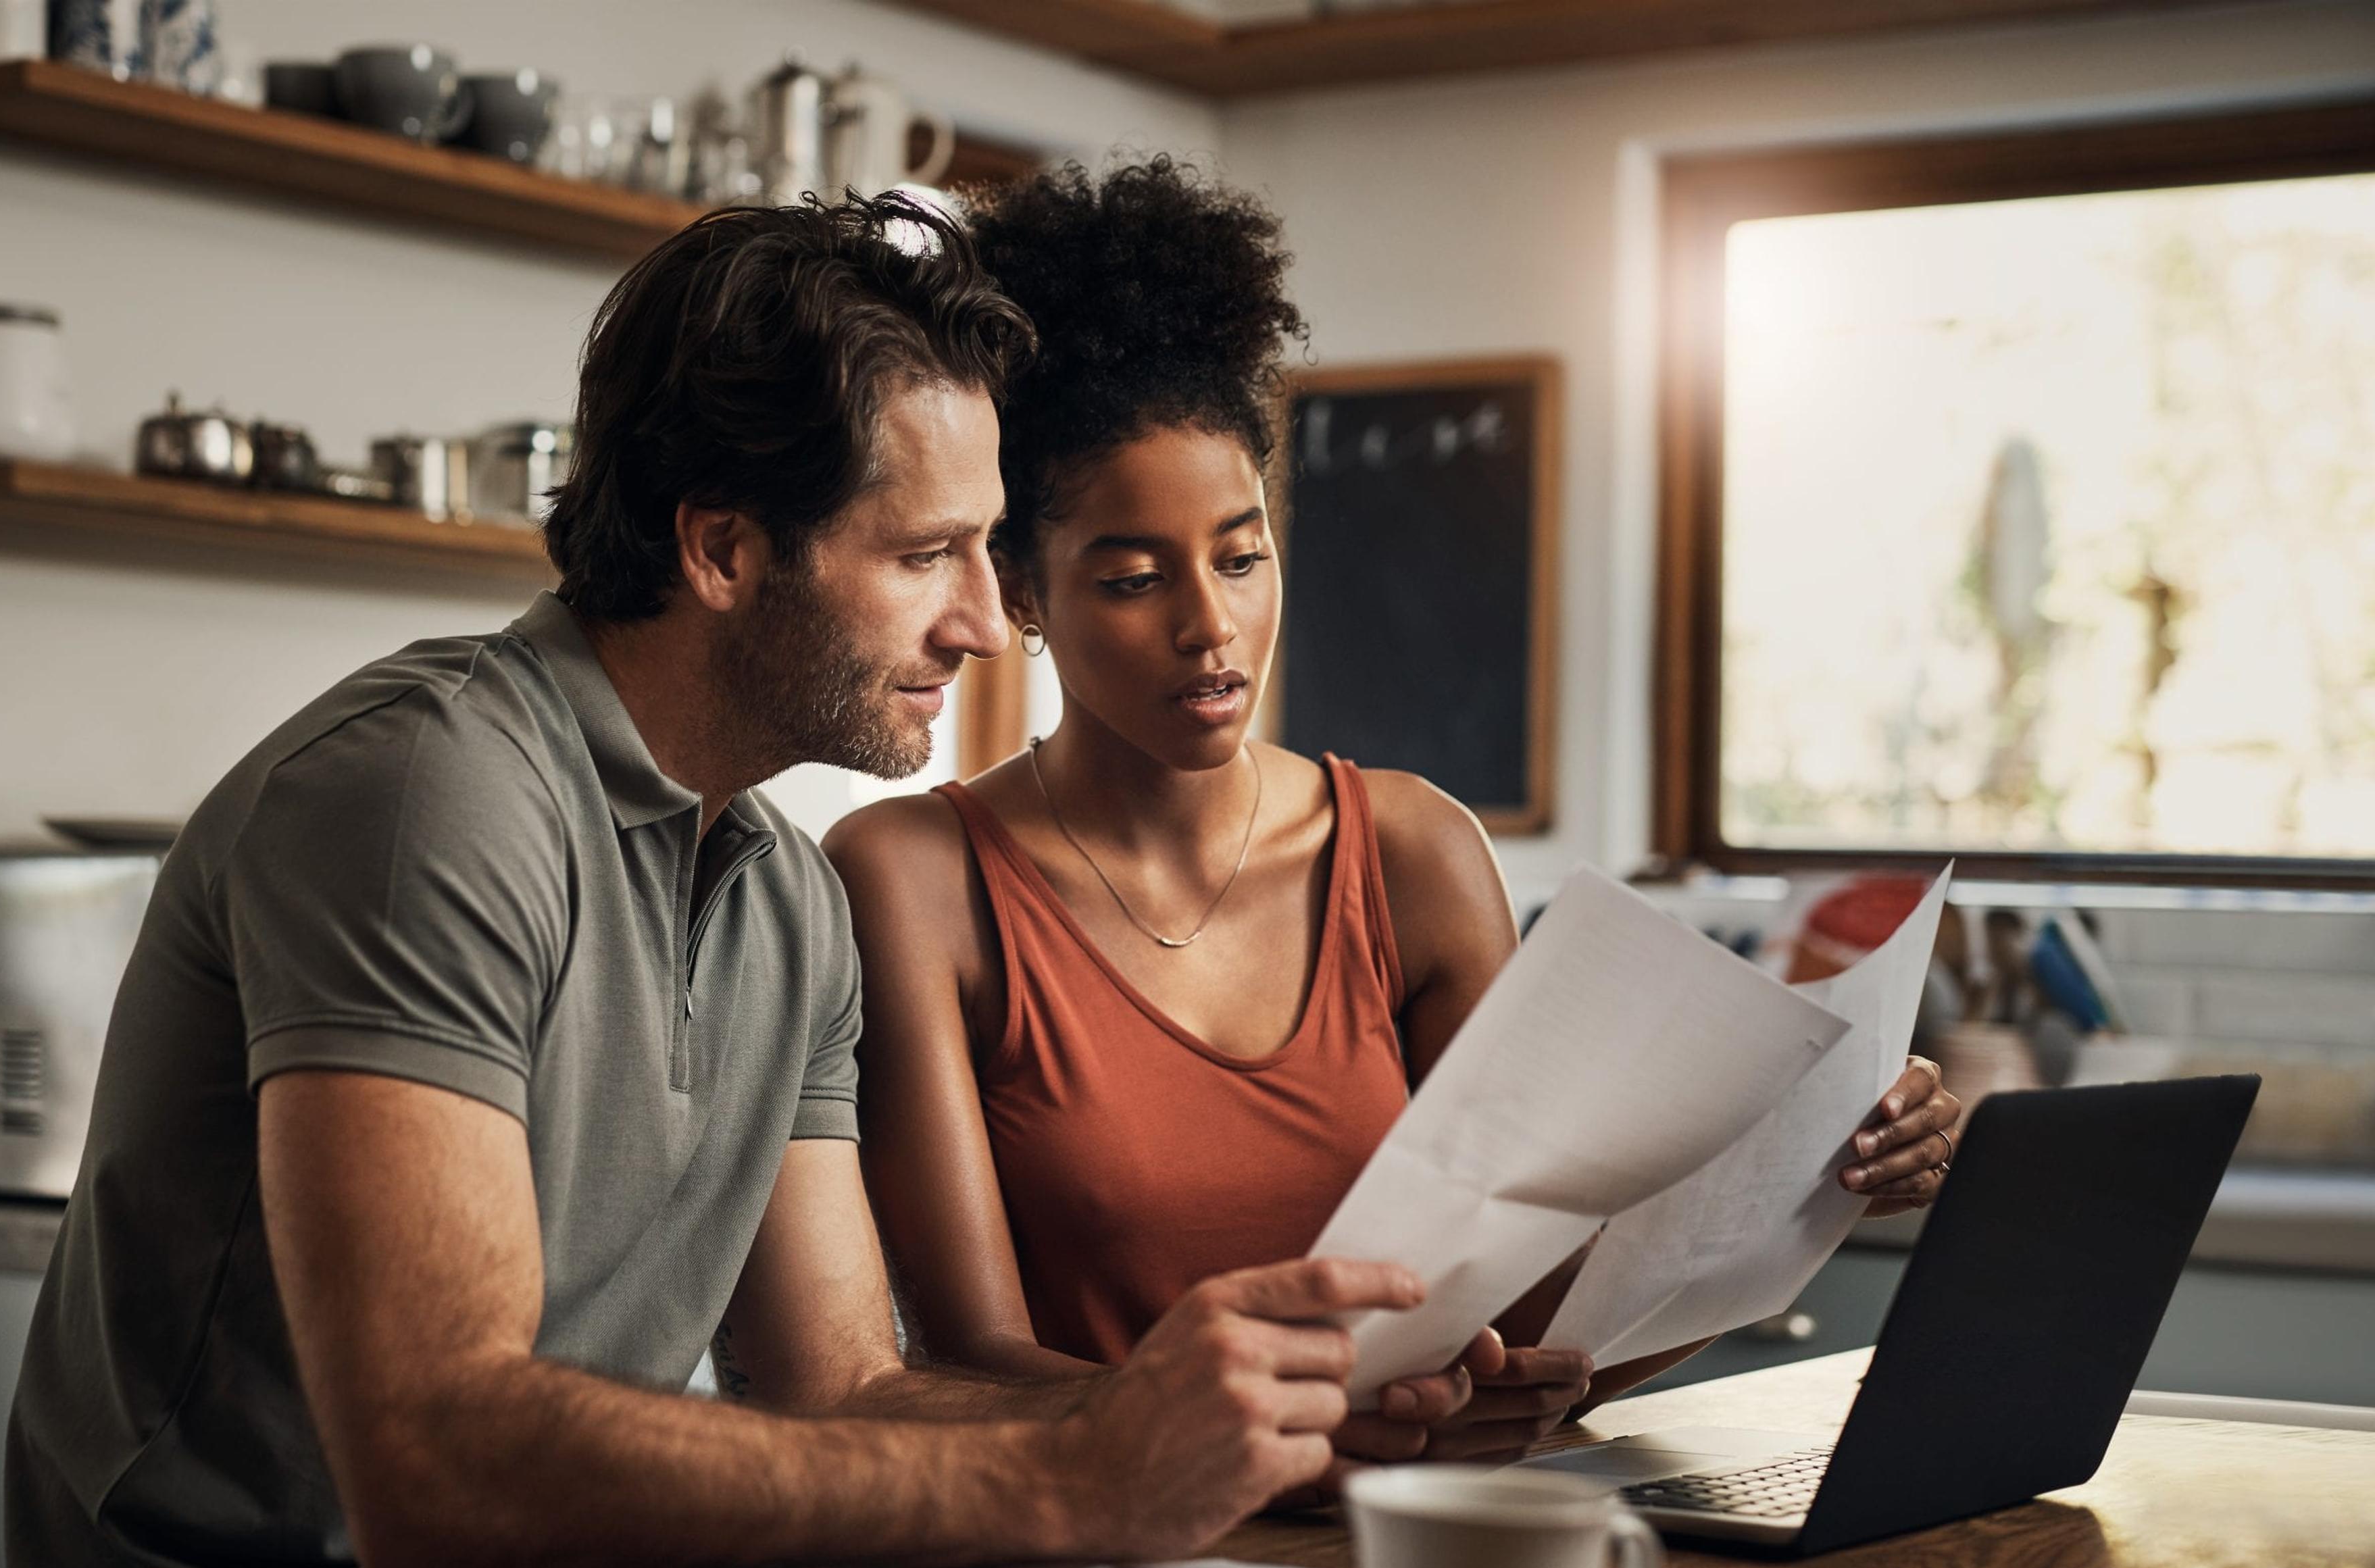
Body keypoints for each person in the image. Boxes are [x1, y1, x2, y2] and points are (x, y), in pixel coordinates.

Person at [3, 195, 1472, 1568]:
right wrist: (1064, 1484)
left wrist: (1203, 1429)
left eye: (988, 555)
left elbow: (845, 1390)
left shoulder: (781, 891)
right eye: (928, 555)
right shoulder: (428, 796)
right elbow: (435, 1459)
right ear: (720, 546)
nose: (983, 622)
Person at [824, 161, 1961, 1477]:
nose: (1212, 627)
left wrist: (1815, 1176)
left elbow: (1544, 1330)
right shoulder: (914, 880)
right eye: (1133, 578)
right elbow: (971, 1365)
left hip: (1419, 1546)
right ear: (1017, 586)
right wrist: (1310, 1436)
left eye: (1243, 555)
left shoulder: (1411, 852)